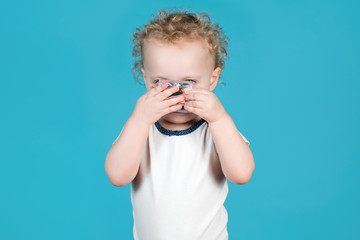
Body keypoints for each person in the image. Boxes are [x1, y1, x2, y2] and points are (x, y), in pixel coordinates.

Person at [105, 8, 255, 240]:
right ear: (146, 79)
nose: (176, 94)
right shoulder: (140, 131)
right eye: (161, 82)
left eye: (188, 82)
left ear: (212, 79)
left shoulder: (216, 130)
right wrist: (139, 119)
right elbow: (117, 176)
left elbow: (241, 174)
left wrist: (219, 118)